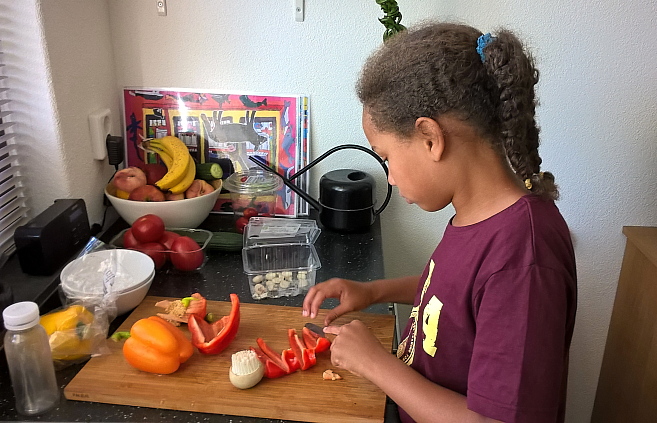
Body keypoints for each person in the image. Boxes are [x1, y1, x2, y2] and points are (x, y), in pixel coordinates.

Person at [302, 21, 577, 423]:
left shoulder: (524, 256)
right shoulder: (477, 217)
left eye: (386, 157)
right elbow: (452, 294)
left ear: (430, 137)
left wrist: (377, 364)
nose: (390, 178)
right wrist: (373, 291)